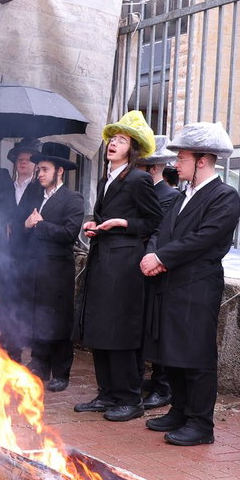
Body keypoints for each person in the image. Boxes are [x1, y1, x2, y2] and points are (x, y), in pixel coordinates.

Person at [139, 124, 240, 446]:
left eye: (182, 158)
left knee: (195, 354)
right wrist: (151, 253)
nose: (175, 164)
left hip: (197, 286)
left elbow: (204, 239)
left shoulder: (223, 196)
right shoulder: (184, 195)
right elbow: (162, 230)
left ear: (202, 161)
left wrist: (161, 257)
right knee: (172, 351)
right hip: (171, 282)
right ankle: (180, 410)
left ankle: (200, 422)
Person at [74, 111, 164, 421]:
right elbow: (105, 217)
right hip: (102, 261)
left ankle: (129, 398)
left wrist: (123, 223)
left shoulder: (139, 179)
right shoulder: (107, 178)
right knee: (99, 328)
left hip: (124, 267)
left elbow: (155, 221)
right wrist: (94, 226)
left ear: (133, 149)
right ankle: (107, 393)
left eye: (121, 140)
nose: (113, 144)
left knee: (120, 330)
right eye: (112, 139)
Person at [22, 142, 86, 390]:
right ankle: (39, 365)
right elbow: (24, 226)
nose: (40, 174)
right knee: (38, 317)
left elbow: (69, 233)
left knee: (58, 320)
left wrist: (40, 224)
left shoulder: (72, 198)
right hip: (35, 268)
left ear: (60, 171)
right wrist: (27, 225)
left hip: (58, 271)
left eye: (45, 169)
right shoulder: (35, 196)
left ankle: (61, 372)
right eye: (38, 169)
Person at [135, 149, 181, 410]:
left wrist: (151, 255)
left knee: (159, 328)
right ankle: (151, 379)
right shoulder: (146, 192)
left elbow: (158, 231)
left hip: (159, 267)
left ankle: (163, 385)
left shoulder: (169, 195)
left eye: (139, 167)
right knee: (146, 327)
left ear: (153, 169)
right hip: (141, 265)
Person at [0, 138, 43, 363]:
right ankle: (9, 349)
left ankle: (29, 352)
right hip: (5, 254)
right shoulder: (6, 187)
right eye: (20, 159)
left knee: (27, 304)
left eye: (28, 159)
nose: (23, 162)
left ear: (35, 165)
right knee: (7, 300)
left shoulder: (38, 190)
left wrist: (17, 227)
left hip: (29, 254)